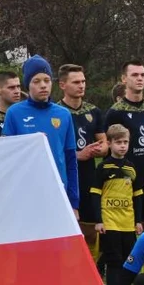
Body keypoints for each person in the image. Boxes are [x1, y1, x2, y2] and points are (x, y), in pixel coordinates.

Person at [2, 56, 79, 212]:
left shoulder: (64, 114)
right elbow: (7, 158)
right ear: (27, 85)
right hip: (25, 193)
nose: (43, 85)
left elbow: (70, 159)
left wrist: (74, 201)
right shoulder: (14, 113)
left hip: (58, 192)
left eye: (46, 80)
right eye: (36, 81)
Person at [57, 64, 107, 260]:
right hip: (65, 176)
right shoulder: (56, 112)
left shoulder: (93, 111)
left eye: (83, 81)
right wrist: (78, 154)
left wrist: (99, 149)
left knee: (90, 224)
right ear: (62, 85)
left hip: (88, 176)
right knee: (68, 225)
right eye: (76, 82)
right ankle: (67, 263)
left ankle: (90, 265)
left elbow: (104, 143)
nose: (81, 86)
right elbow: (52, 148)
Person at [104, 61, 144, 229]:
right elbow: (109, 149)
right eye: (134, 75)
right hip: (126, 179)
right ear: (124, 79)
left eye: (142, 75)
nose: (140, 78)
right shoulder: (115, 112)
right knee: (129, 227)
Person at [91, 125, 144, 285]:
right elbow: (95, 195)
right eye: (118, 142)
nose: (122, 146)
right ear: (110, 143)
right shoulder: (103, 168)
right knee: (114, 260)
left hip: (127, 222)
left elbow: (137, 196)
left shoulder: (131, 167)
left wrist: (138, 221)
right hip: (110, 220)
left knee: (128, 258)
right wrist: (99, 221)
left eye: (125, 142)